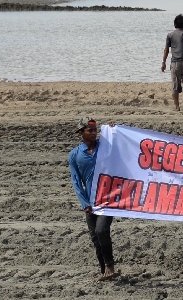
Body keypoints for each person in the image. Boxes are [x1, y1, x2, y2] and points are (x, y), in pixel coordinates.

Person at [68, 117, 116, 281]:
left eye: (95, 130)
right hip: (90, 202)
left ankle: (110, 265)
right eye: (90, 130)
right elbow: (76, 181)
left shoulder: (105, 148)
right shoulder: (74, 155)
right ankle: (105, 272)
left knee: (101, 231)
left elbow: (121, 146)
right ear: (81, 133)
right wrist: (84, 203)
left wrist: (114, 132)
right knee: (96, 239)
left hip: (107, 199)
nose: (94, 133)